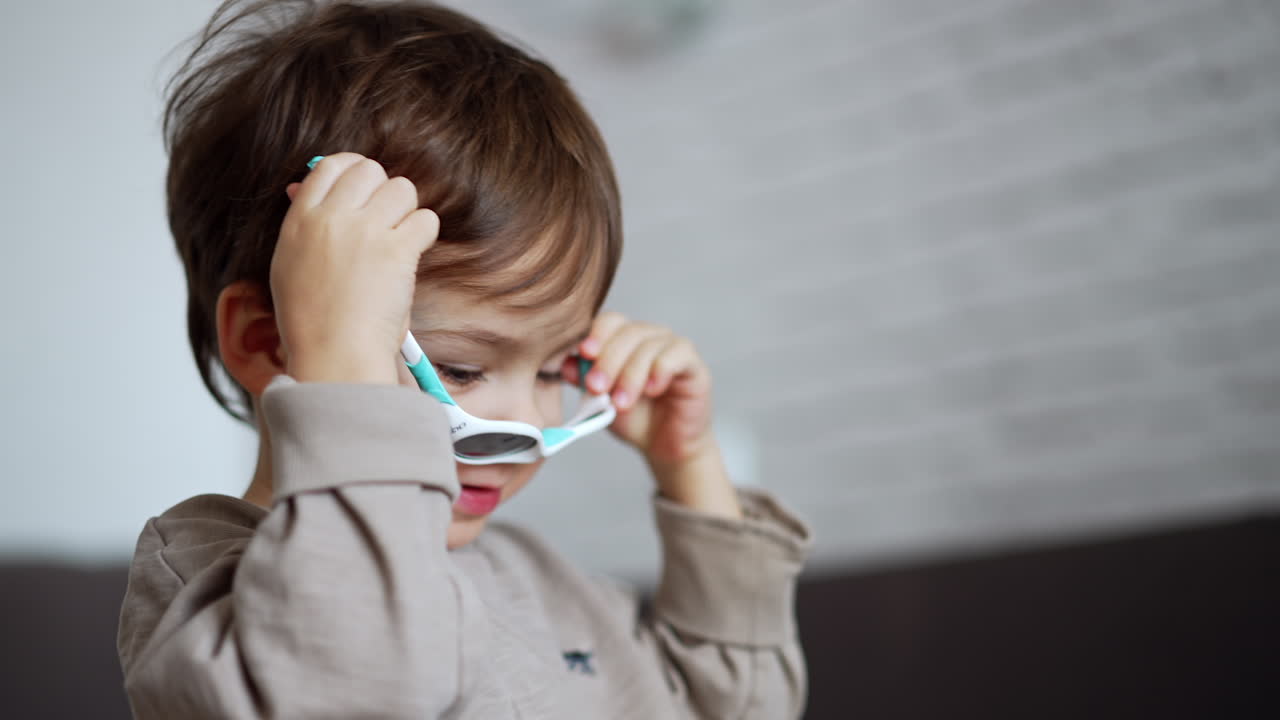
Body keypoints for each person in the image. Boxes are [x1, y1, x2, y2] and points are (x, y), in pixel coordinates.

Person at [116, 1, 812, 717]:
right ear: (270, 342)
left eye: (552, 371)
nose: (525, 431)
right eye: (459, 367)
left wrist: (690, 468)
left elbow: (746, 709)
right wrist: (346, 376)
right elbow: (356, 684)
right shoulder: (204, 572)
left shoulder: (550, 585)